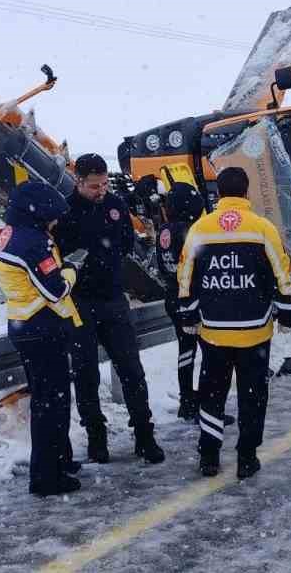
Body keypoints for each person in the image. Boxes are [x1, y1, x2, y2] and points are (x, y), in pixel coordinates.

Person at [176, 167, 291, 479]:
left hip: (214, 332)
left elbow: (185, 275)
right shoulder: (262, 228)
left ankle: (209, 457)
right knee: (252, 395)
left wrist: (189, 313)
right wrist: (287, 313)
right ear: (246, 192)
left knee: (212, 394)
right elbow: (281, 273)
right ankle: (246, 457)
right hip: (254, 332)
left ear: (218, 193)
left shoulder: (200, 229)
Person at [53, 153, 164, 464]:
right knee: (85, 373)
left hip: (113, 298)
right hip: (80, 302)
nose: (100, 190)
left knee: (131, 369)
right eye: (93, 186)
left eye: (103, 184)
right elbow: (61, 255)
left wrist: (108, 255)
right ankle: (96, 437)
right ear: (78, 181)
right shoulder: (65, 210)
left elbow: (127, 242)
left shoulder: (115, 204)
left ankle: (144, 434)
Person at [0, 181, 83, 495]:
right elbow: (54, 289)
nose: (56, 222)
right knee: (50, 404)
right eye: (52, 216)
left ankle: (59, 461)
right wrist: (71, 270)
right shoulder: (32, 241)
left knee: (48, 400)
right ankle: (46, 477)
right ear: (39, 214)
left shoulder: (9, 233)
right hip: (42, 328)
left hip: (25, 326)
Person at [153, 181, 206, 422]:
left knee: (186, 351)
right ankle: (205, 403)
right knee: (211, 351)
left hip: (172, 296)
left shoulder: (163, 230)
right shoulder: (191, 231)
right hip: (192, 298)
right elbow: (198, 267)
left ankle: (187, 400)